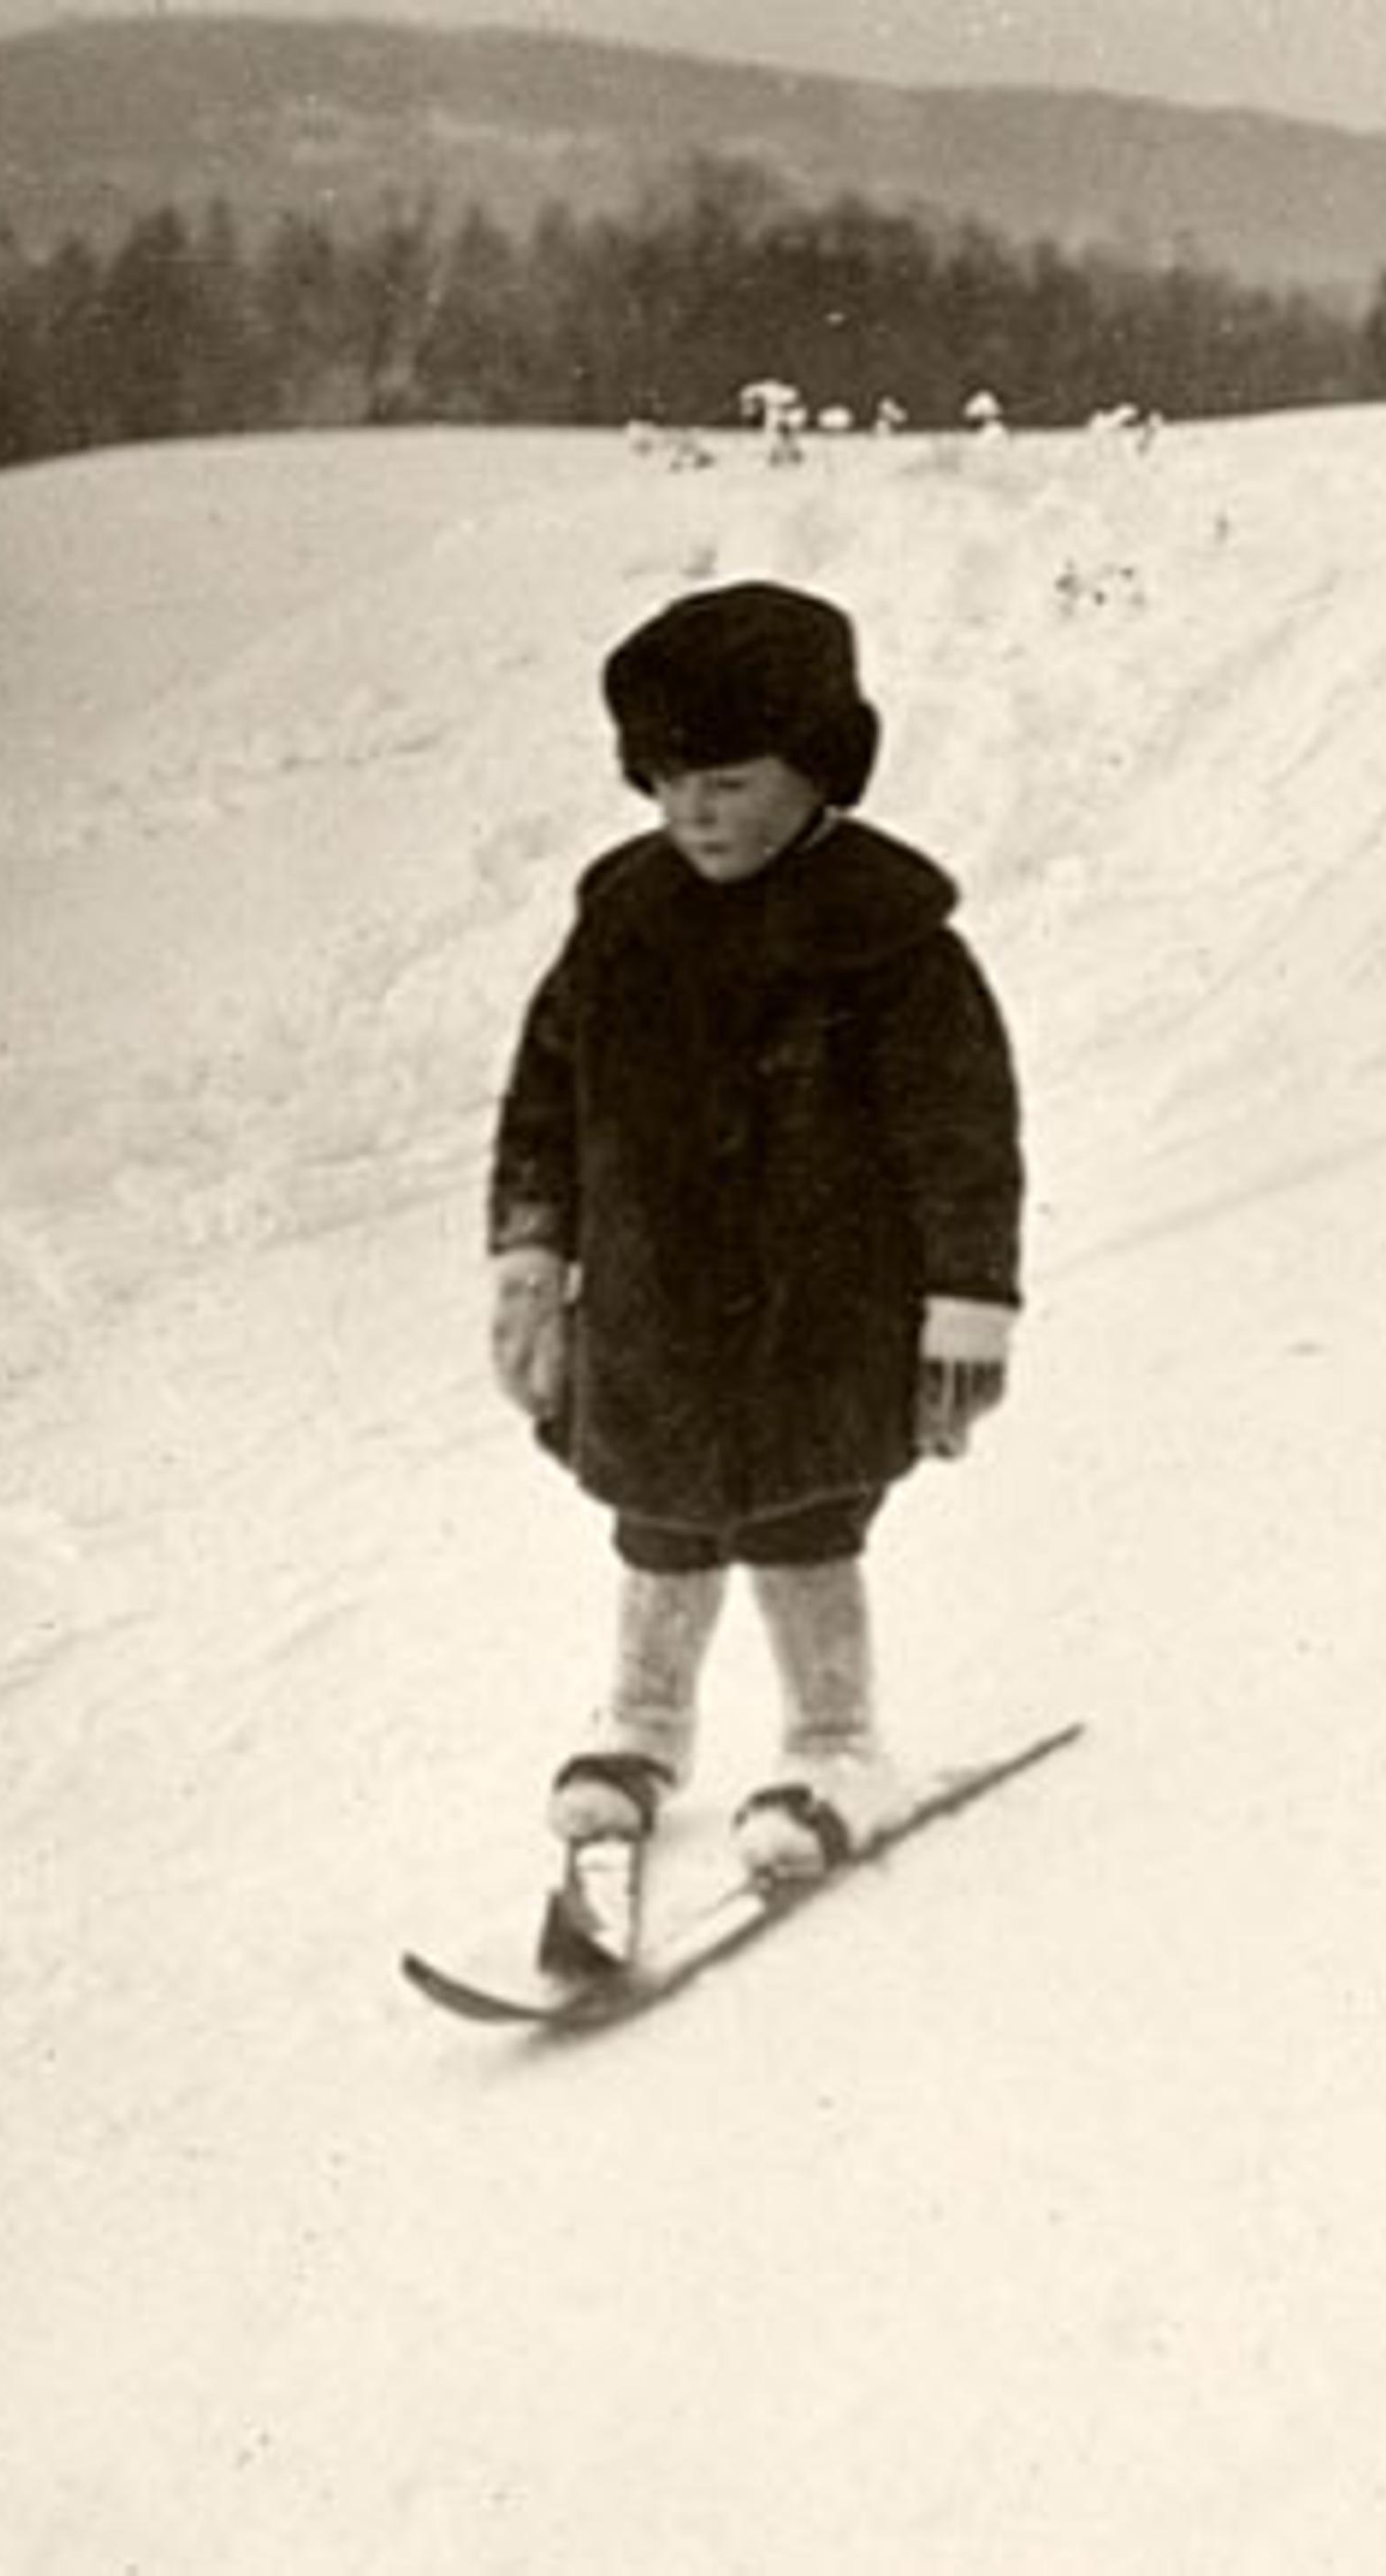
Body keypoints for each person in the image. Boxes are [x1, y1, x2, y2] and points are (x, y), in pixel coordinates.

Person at [486, 580, 1023, 1891]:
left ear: (815, 768)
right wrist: (532, 1252)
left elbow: (962, 1129)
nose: (694, 814)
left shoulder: (888, 939)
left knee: (802, 1522)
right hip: (653, 1301)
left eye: (727, 782)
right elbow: (546, 1091)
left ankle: (835, 1745)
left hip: (821, 1304)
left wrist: (967, 1299)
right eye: (668, 783)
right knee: (658, 1518)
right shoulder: (622, 919)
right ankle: (643, 1727)